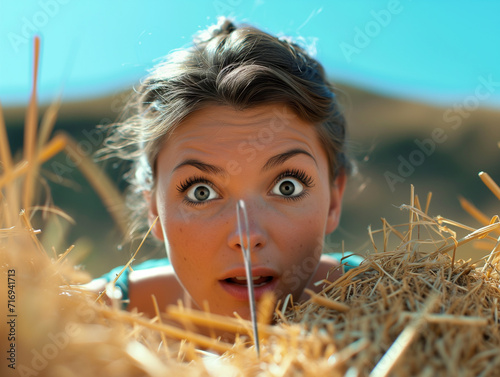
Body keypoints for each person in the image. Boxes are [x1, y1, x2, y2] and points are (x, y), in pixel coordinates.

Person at [87, 17, 362, 319]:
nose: (246, 236)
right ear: (153, 207)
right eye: (201, 192)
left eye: (287, 186)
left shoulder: (397, 309)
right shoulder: (90, 316)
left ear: (333, 200)